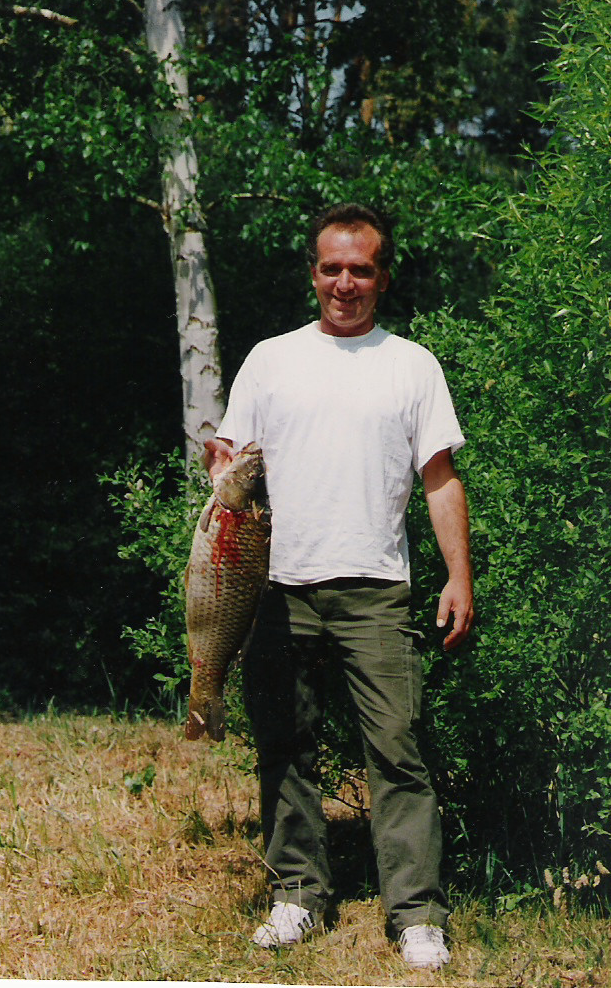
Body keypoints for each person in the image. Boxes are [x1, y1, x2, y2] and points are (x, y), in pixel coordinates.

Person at [204, 203, 474, 971]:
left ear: (382, 276)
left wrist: (458, 575)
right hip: (274, 588)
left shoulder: (412, 364)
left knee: (397, 750)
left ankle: (416, 912)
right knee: (285, 747)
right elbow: (231, 465)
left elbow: (440, 481)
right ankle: (297, 895)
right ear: (313, 273)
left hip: (377, 588)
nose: (345, 283)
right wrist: (218, 468)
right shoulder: (270, 359)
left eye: (361, 269)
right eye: (332, 268)